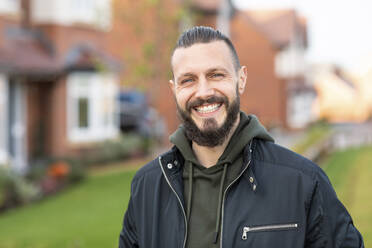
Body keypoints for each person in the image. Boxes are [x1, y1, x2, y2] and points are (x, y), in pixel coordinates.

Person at [119, 26, 364, 248]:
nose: (203, 92)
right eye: (188, 80)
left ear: (241, 79)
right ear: (174, 90)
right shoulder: (147, 187)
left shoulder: (303, 183)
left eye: (216, 75)